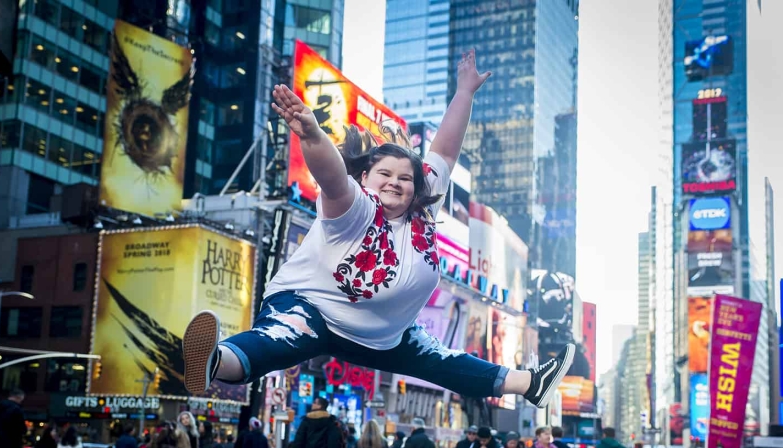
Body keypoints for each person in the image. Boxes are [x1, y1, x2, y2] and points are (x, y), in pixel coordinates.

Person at [181, 51, 575, 412]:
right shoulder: (355, 207)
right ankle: (215, 359)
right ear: (366, 177)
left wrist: (465, 92)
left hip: (385, 335)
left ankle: (530, 383)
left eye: (405, 177)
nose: (395, 182)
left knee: (442, 359)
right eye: (384, 174)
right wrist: (313, 136)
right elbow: (332, 176)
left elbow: (447, 150)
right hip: (311, 306)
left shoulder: (424, 207)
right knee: (278, 339)